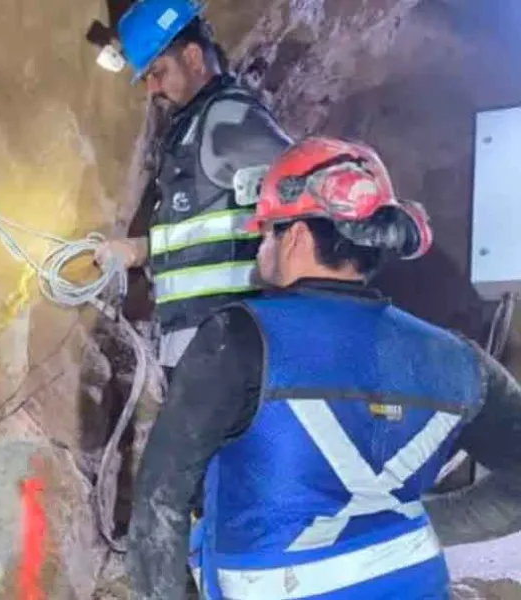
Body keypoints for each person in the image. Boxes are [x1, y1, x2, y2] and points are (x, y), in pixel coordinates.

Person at [124, 136, 521, 599]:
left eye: (266, 231)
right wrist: (412, 524)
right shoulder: (460, 359)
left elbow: (159, 502)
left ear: (293, 236)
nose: (259, 247)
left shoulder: (239, 339)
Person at [94, 0, 293, 374]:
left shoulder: (230, 118)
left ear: (193, 57)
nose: (153, 89)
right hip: (193, 338)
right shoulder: (194, 126)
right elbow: (205, 229)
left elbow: (302, 192)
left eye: (158, 72)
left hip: (224, 336)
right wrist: (139, 251)